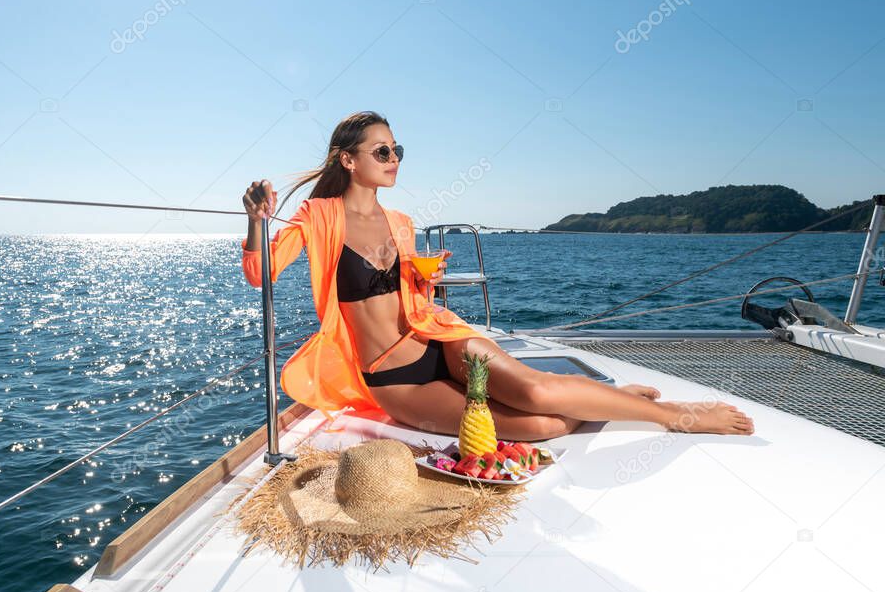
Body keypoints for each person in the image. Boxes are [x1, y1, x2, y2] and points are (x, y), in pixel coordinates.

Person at [241, 110, 755, 439]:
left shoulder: (400, 222)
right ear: (348, 160)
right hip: (394, 378)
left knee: (532, 390)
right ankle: (607, 400)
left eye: (398, 150)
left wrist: (423, 280)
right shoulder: (319, 217)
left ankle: (678, 416)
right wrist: (256, 222)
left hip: (439, 339)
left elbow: (408, 300)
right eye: (383, 151)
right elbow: (261, 274)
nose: (394, 159)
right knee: (539, 425)